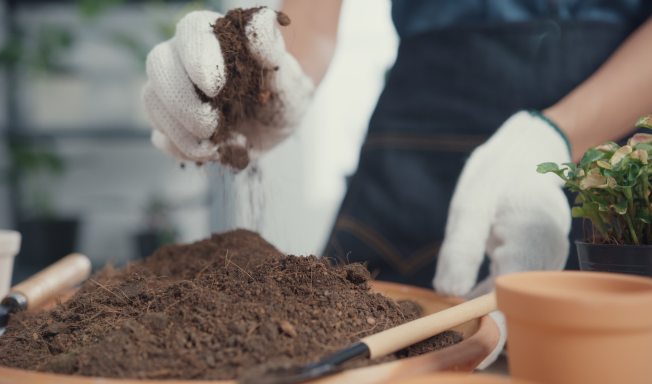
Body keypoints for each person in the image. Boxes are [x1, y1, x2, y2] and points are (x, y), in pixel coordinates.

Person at [142, 1, 652, 298]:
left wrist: (554, 138)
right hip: (412, 144)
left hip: (606, 149)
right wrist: (267, 80)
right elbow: (312, 24)